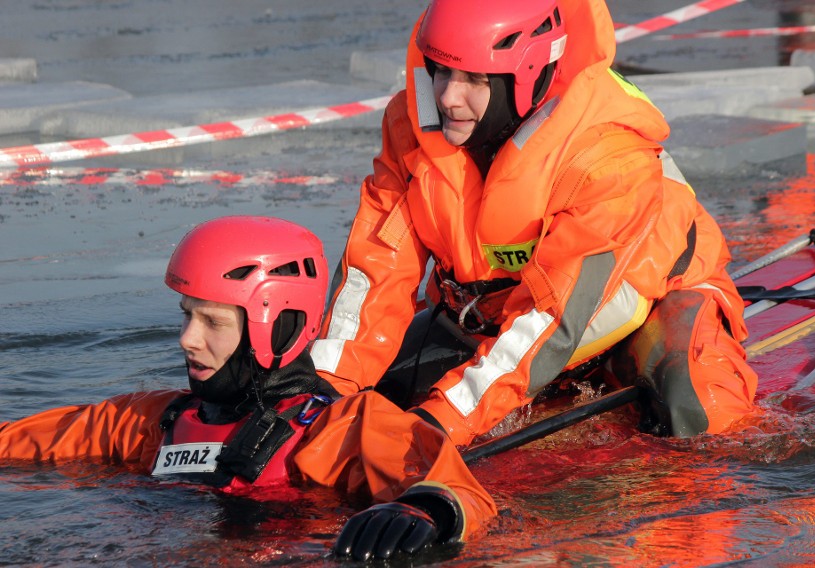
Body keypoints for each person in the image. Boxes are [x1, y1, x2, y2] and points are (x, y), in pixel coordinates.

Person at [313, 0, 760, 551]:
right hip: (491, 316)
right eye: (442, 71)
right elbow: (374, 271)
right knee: (360, 409)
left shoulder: (606, 155)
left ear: (528, 75)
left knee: (694, 409)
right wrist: (317, 397)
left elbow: (553, 321)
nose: (449, 96)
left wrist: (437, 426)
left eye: (475, 79)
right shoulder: (411, 123)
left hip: (639, 305)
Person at [0, 215, 497, 560]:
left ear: (275, 325)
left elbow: (460, 492)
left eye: (212, 322)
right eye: (187, 317)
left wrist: (424, 508)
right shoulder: (155, 422)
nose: (187, 340)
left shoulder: (342, 429)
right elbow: (33, 439)